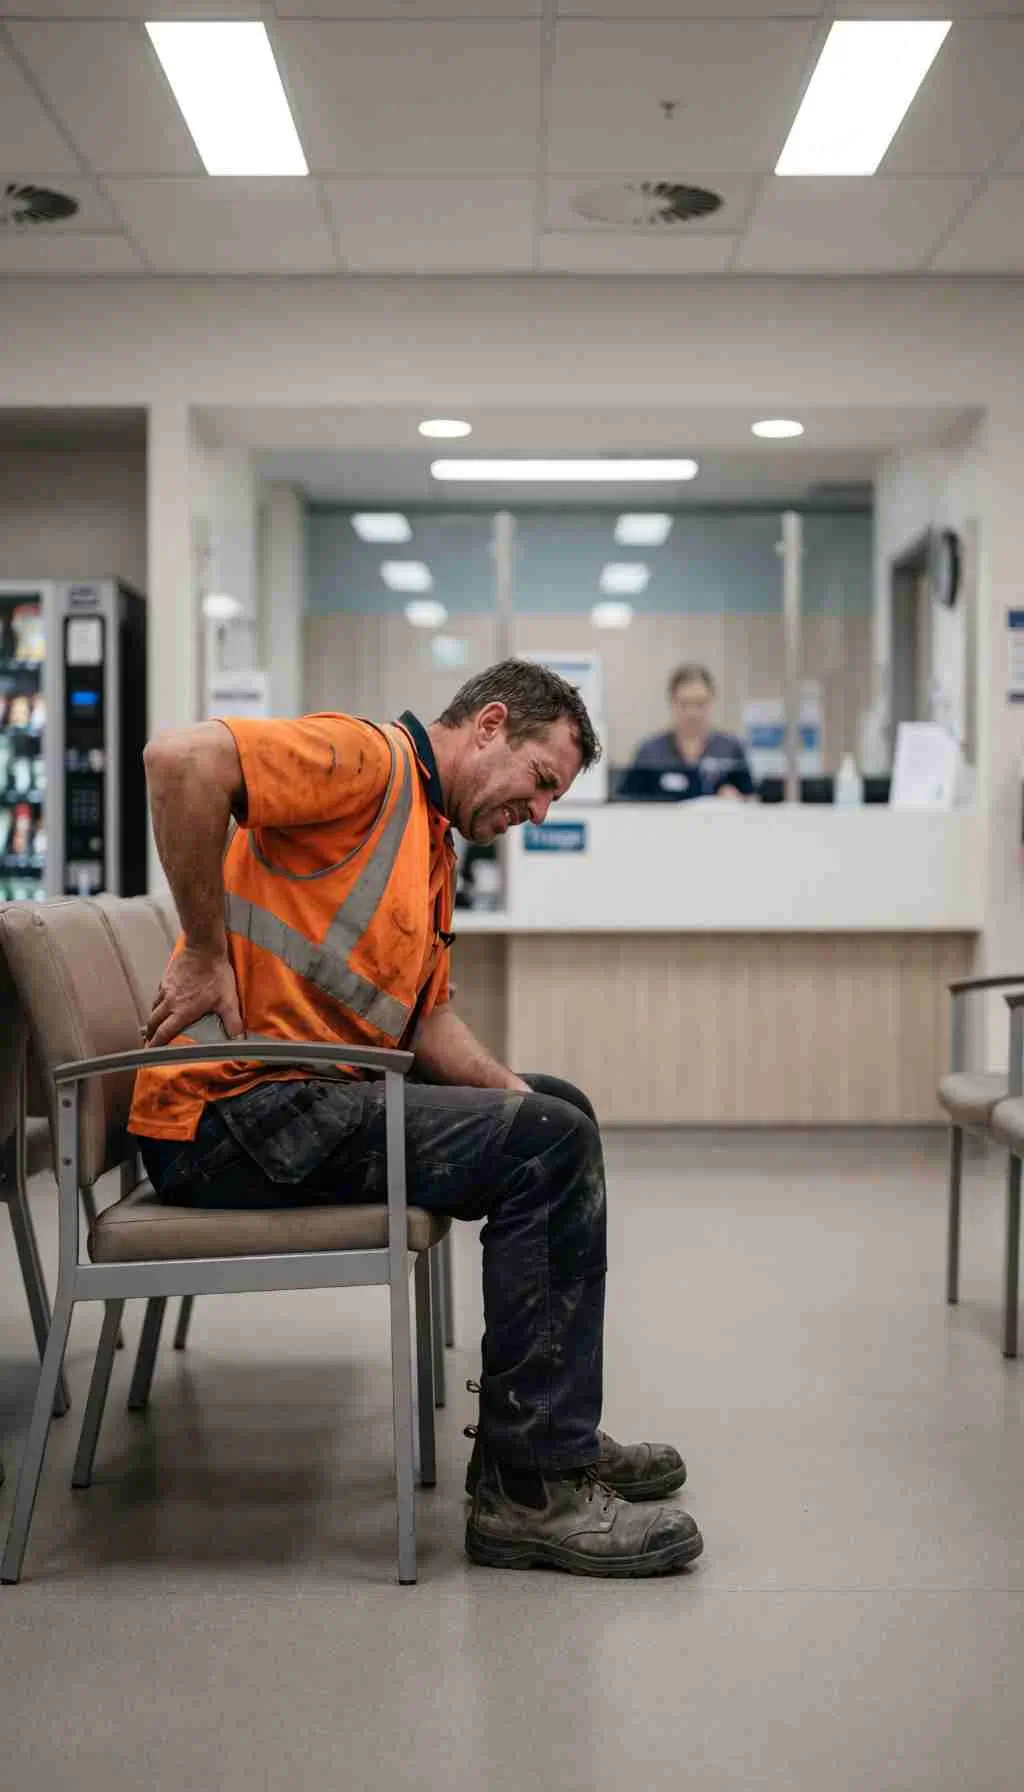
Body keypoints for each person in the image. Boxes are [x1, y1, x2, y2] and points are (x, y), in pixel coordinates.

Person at [130, 659, 703, 1580]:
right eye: (540, 782)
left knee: (558, 1114)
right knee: (548, 1146)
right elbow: (179, 762)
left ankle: (551, 1428)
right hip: (232, 1114)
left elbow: (427, 1026)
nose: (538, 814)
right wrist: (202, 948)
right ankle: (528, 1490)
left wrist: (514, 1093)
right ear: (489, 725)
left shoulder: (429, 848)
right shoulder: (366, 763)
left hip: (306, 1103)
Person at [630, 664, 754, 799]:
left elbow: (752, 800)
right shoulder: (650, 752)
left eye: (700, 703)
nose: (692, 713)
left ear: (712, 702)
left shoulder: (731, 749)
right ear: (672, 703)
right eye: (684, 704)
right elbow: (626, 802)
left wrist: (737, 798)